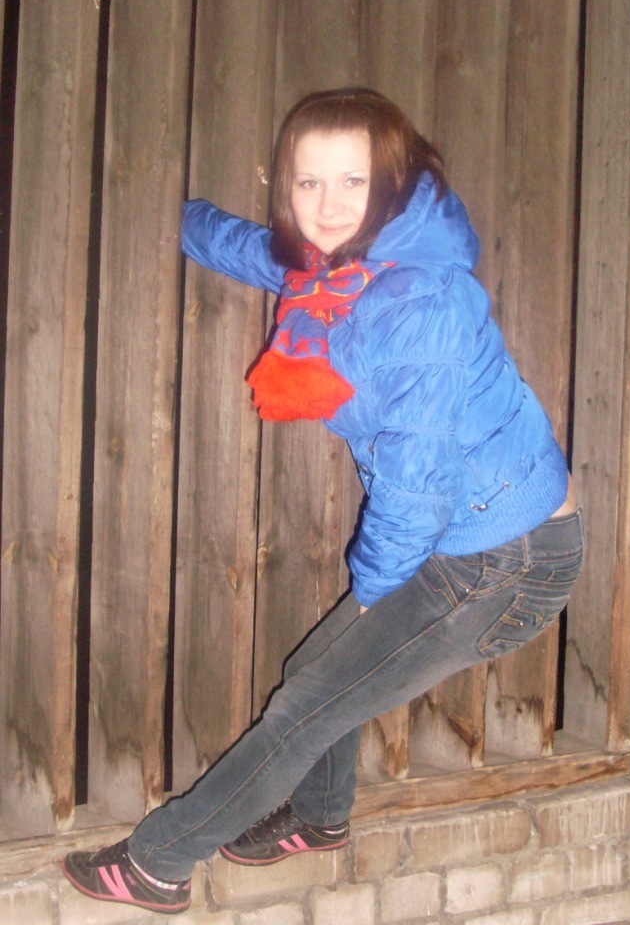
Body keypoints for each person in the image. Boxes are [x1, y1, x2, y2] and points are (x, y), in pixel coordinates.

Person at [63, 88, 584, 915]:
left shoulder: (418, 299)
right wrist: (167, 212)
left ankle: (158, 863)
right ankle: (319, 816)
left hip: (505, 559)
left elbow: (416, 485)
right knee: (314, 677)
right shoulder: (335, 271)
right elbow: (249, 249)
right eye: (308, 182)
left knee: (307, 705)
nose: (329, 204)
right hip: (466, 540)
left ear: (392, 182)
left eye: (352, 180)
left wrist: (373, 595)